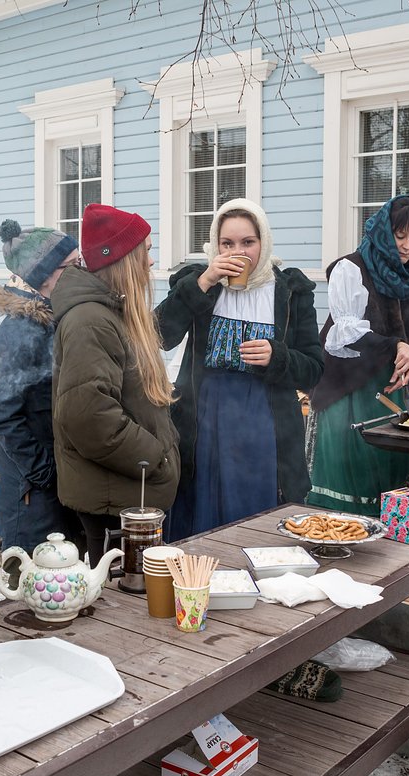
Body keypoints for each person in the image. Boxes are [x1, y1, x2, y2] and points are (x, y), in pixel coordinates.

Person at [157, 198, 323, 539]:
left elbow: (314, 369)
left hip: (264, 423)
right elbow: (160, 335)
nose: (239, 252)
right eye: (227, 243)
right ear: (215, 245)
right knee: (202, 510)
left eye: (248, 242)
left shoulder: (290, 290)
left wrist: (278, 357)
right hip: (204, 419)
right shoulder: (198, 281)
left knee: (254, 517)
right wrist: (204, 281)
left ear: (263, 241)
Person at [51, 203, 180, 565]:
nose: (151, 263)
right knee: (117, 614)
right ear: (124, 258)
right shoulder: (91, 321)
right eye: (147, 252)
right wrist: (154, 457)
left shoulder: (110, 313)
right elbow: (88, 417)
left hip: (128, 496)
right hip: (114, 505)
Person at [306, 195, 409, 515]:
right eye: (400, 235)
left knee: (395, 477)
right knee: (351, 479)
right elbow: (345, 331)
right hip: (348, 388)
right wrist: (396, 346)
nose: (408, 246)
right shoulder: (351, 268)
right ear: (383, 232)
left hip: (391, 389)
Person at [0, 220, 83, 553]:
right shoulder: (16, 334)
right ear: (43, 276)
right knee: (30, 584)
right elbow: (2, 418)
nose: (80, 271)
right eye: (71, 266)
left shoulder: (60, 319)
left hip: (57, 482)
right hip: (29, 491)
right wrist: (46, 474)